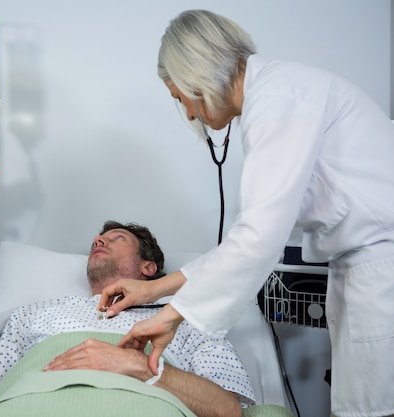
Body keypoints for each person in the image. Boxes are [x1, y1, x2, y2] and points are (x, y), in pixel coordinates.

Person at [97, 10, 394, 417]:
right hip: (365, 271)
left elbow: (258, 237)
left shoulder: (278, 100)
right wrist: (154, 292)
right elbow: (249, 236)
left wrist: (173, 315)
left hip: (381, 270)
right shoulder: (277, 93)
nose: (187, 114)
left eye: (179, 98)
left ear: (194, 76)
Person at [0, 221, 255, 417]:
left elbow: (226, 409)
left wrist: (138, 366)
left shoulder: (182, 319)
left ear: (149, 267)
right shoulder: (39, 313)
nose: (99, 239)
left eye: (117, 237)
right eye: (98, 237)